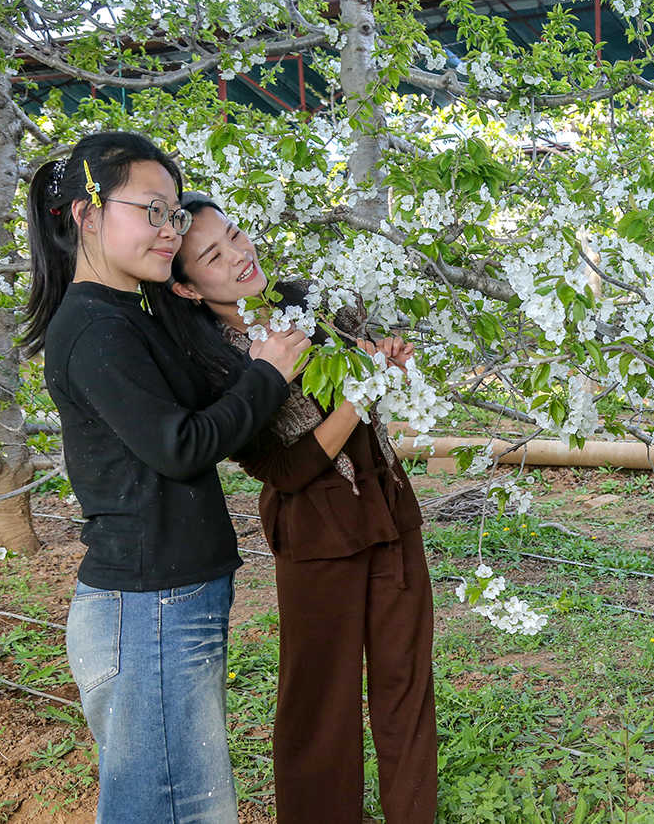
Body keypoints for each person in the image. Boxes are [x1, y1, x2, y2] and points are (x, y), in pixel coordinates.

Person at [20, 132, 309, 823]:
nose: (167, 230)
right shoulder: (94, 328)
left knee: (178, 804)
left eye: (174, 214)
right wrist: (270, 374)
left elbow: (211, 399)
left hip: (172, 600)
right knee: (172, 809)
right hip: (148, 608)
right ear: (86, 215)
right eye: (151, 210)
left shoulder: (136, 311)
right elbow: (181, 446)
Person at [140, 194, 437, 823]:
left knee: (406, 682)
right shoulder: (217, 365)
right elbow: (290, 468)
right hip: (318, 532)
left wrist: (386, 362)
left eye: (237, 234)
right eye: (213, 256)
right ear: (189, 289)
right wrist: (360, 394)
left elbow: (371, 393)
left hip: (388, 506)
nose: (239, 256)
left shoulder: (311, 306)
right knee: (320, 701)